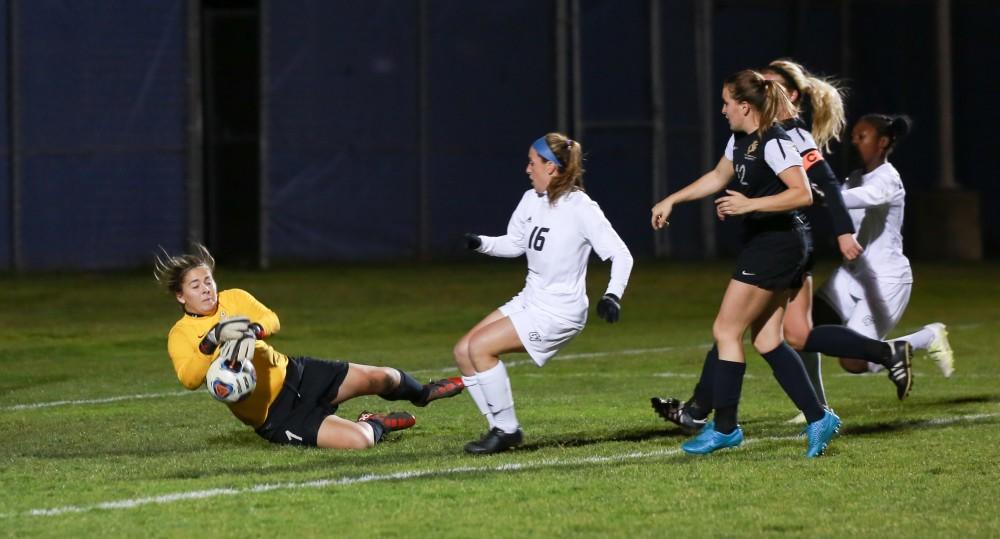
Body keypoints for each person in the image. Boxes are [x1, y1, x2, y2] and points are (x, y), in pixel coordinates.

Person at [649, 69, 840, 457]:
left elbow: (803, 193)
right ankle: (819, 417)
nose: (722, 110)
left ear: (745, 106)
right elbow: (719, 176)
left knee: (725, 331)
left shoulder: (775, 140)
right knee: (768, 339)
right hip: (773, 243)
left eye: (726, 103)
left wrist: (749, 204)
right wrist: (673, 199)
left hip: (778, 244)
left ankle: (725, 428)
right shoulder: (742, 139)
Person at [154, 243, 465, 449]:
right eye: (196, 286)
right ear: (181, 296)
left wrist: (255, 329)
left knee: (382, 377)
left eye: (208, 280)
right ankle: (375, 423)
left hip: (298, 374)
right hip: (278, 417)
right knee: (360, 442)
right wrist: (211, 341)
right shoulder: (181, 334)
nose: (206, 289)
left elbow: (270, 318)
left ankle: (422, 394)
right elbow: (189, 378)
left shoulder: (233, 298)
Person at [456, 132, 634, 454]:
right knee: (463, 350)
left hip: (559, 313)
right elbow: (515, 244)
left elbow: (621, 255)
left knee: (480, 348)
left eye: (532, 162)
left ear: (551, 168)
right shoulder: (530, 200)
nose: (527, 169)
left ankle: (507, 430)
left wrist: (612, 295)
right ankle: (499, 427)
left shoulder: (581, 208)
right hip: (531, 299)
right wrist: (481, 242)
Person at [803, 114, 954, 381]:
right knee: (802, 330)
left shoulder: (888, 179)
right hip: (852, 275)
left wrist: (822, 196)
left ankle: (925, 337)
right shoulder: (855, 177)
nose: (855, 142)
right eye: (854, 137)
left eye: (862, 137)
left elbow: (861, 198)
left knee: (853, 361)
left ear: (882, 142)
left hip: (886, 279)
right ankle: (814, 408)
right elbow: (842, 200)